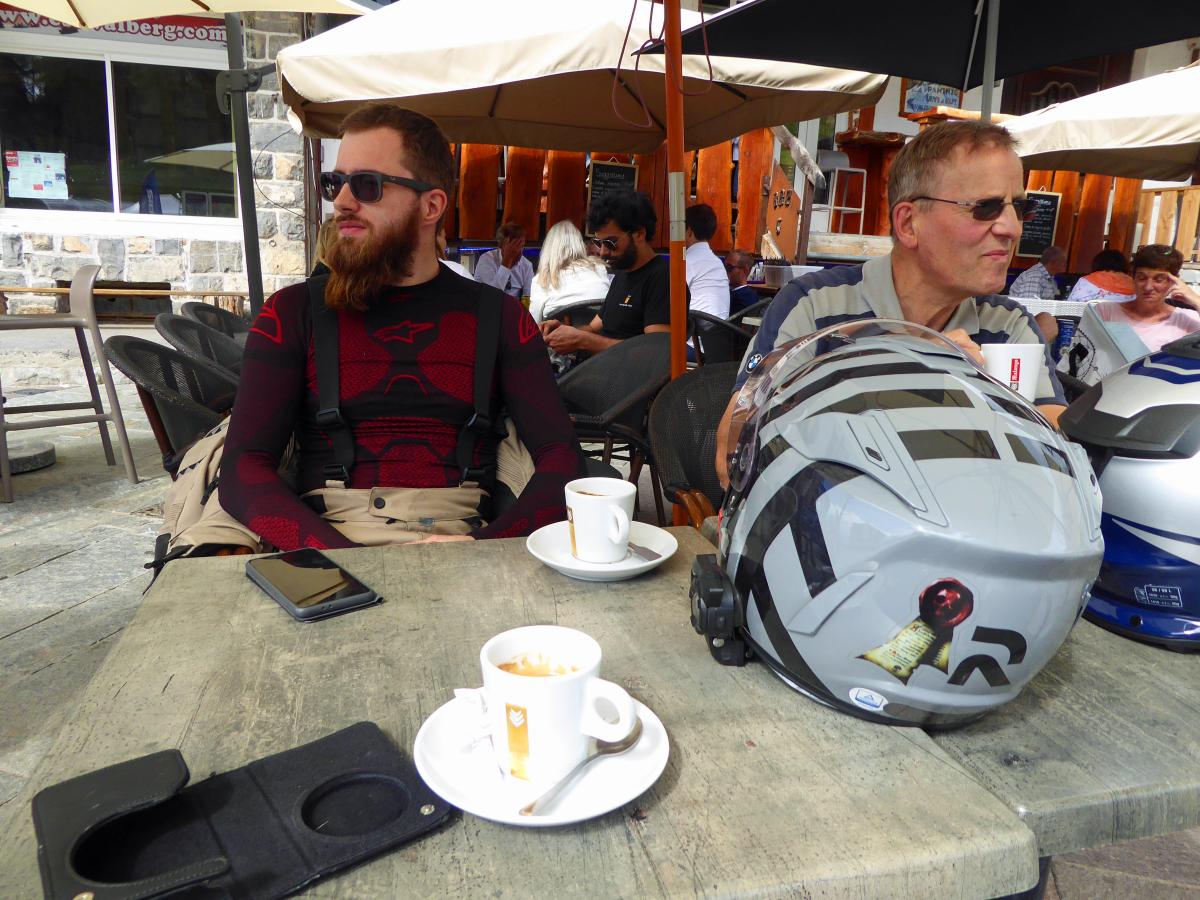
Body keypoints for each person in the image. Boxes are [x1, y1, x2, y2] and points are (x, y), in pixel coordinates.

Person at [221, 103, 584, 552]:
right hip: (326, 539)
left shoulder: (502, 318)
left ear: (431, 205)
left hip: (463, 540)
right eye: (334, 183)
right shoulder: (292, 312)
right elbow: (243, 469)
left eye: (366, 185)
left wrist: (485, 546)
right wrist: (345, 560)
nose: (341, 202)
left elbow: (563, 458)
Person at [716, 120, 1068, 485]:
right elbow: (732, 451)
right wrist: (903, 369)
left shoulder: (1007, 325)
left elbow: (1061, 457)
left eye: (1019, 207)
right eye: (986, 207)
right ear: (909, 223)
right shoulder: (815, 305)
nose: (1012, 228)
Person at [540, 190, 675, 356]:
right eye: (599, 243)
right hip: (600, 366)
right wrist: (563, 331)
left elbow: (654, 351)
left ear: (639, 234)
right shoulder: (623, 274)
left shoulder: (663, 279)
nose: (603, 252)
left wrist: (582, 341)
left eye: (611, 243)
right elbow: (593, 328)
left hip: (627, 372)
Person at [1093, 243, 1200, 352]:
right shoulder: (1105, 312)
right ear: (1133, 277)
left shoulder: (1186, 320)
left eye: (1158, 279)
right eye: (1141, 278)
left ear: (1174, 281)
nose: (1148, 287)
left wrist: (1196, 300)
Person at [528, 219, 610, 324]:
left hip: (558, 334)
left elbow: (533, 324)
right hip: (600, 333)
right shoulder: (599, 268)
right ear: (580, 244)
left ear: (549, 248)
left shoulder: (541, 279)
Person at [684, 203, 730, 320]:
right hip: (720, 328)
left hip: (695, 329)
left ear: (689, 231)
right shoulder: (717, 263)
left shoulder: (687, 261)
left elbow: (669, 299)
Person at [473, 221, 534, 299]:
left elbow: (528, 297)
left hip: (513, 305)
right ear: (501, 245)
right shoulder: (486, 260)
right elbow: (492, 296)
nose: (518, 251)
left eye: (521, 246)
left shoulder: (527, 265)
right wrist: (507, 262)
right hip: (486, 304)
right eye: (514, 246)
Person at [1067, 248, 1135, 303]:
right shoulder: (1135, 284)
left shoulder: (1087, 281)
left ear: (1097, 263)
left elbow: (1071, 307)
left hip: (1093, 316)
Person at [725, 249, 759, 316]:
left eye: (729, 267)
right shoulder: (729, 292)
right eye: (724, 267)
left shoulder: (745, 297)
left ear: (745, 270)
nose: (725, 271)